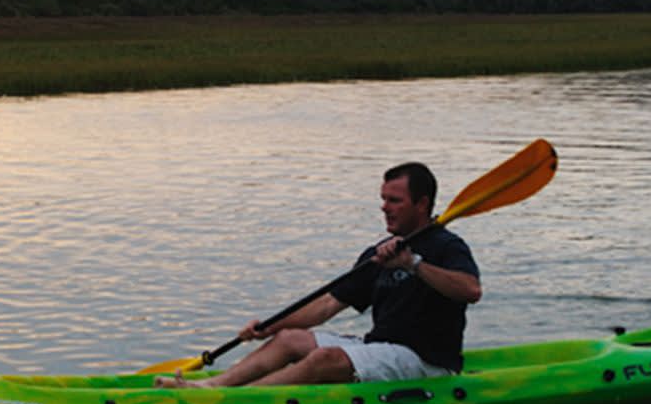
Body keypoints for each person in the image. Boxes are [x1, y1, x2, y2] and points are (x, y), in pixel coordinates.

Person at [157, 161, 482, 389]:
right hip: (381, 347)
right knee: (287, 339)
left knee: (325, 358)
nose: (384, 207)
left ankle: (236, 399)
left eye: (394, 200)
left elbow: (470, 290)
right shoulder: (379, 253)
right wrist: (268, 327)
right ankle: (212, 385)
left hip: (427, 361)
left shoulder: (446, 246)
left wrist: (413, 265)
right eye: (383, 199)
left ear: (422, 203)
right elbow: (326, 306)